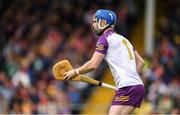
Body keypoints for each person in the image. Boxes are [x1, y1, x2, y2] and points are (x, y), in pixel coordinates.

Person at [64, 9, 145, 114]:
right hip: (137, 86)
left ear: (103, 22)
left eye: (95, 21)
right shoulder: (124, 39)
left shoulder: (105, 39)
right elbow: (141, 62)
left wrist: (75, 72)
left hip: (128, 87)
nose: (93, 25)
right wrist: (132, 80)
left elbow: (93, 64)